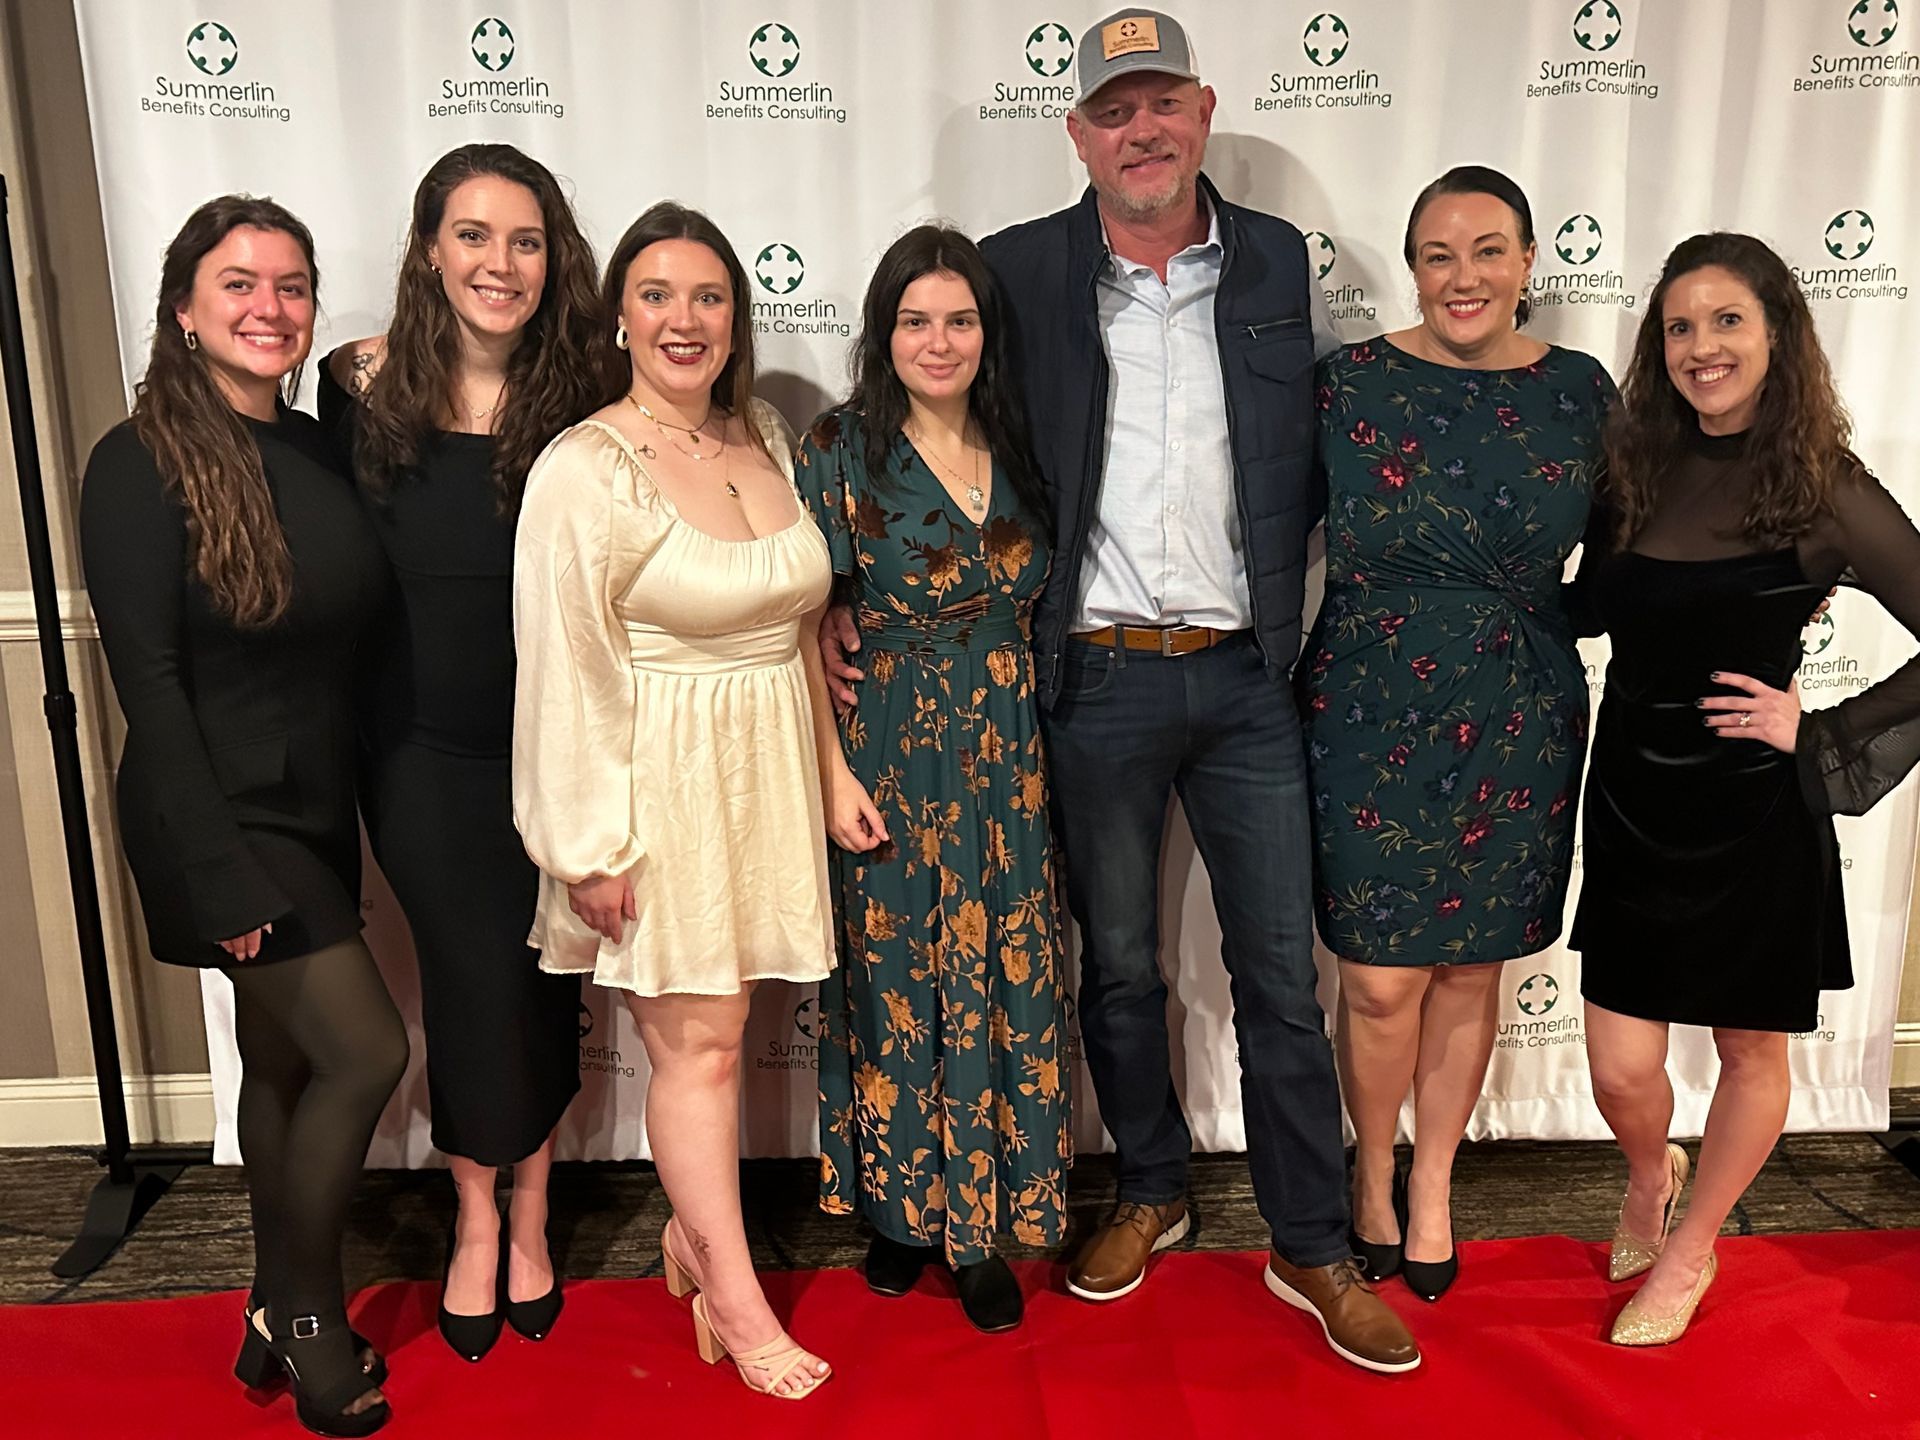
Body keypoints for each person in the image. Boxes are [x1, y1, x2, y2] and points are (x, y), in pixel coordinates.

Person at [821, 8, 1419, 1373]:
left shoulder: (1273, 262)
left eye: (1161, 106)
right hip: (1090, 679)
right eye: (1112, 111)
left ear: (1203, 112)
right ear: (1077, 132)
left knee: (1277, 970)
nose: (1140, 132)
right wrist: (854, 582)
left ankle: (1313, 1244)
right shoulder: (1021, 270)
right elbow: (933, 420)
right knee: (1125, 967)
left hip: (1249, 676)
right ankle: (1151, 1190)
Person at [512, 201, 846, 1399]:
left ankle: (689, 1236)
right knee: (696, 1055)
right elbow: (563, 671)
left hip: (762, 773)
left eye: (709, 297)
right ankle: (735, 1292)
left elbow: (801, 624)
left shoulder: (765, 432)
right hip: (661, 789)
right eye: (658, 295)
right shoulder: (585, 467)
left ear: (737, 319)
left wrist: (831, 773)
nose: (684, 320)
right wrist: (588, 848)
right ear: (618, 318)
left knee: (729, 1036)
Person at [80, 196, 402, 1435]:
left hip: (315, 805)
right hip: (212, 813)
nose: (268, 306)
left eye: (291, 285)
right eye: (237, 284)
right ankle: (306, 1313)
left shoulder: (319, 452)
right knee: (366, 1051)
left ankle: (270, 1307)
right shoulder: (139, 458)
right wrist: (220, 876)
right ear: (183, 309)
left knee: (281, 1059)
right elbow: (147, 684)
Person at [1571, 231, 1920, 1345]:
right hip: (1630, 793)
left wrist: (1822, 727)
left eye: (1727, 322)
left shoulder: (1829, 489)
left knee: (1747, 1051)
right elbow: (1586, 608)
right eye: (1681, 326)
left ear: (1778, 334)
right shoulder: (1633, 465)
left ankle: (1689, 1251)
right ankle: (1647, 1173)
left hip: (1753, 811)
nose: (1702, 347)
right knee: (1622, 1067)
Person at [1298, 167, 1614, 1301]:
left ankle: (1431, 1185)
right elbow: (1268, 537)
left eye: (1489, 250)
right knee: (1380, 981)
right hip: (1366, 708)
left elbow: (1628, 562)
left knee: (1473, 967)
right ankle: (1370, 1176)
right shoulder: (1346, 386)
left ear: (1529, 263)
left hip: (1521, 712)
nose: (1463, 275)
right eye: (1438, 253)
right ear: (1413, 265)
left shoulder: (1583, 392)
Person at [320, 143, 601, 1360]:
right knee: (473, 979)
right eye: (474, 235)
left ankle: (532, 1205)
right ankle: (477, 1217)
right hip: (420, 755)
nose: (500, 263)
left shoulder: (590, 389)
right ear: (430, 248)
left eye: (525, 240)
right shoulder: (355, 387)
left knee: (547, 985)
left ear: (553, 260)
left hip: (563, 746)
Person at [796, 225, 1067, 1333]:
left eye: (959, 319)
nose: (938, 340)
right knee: (895, 978)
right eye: (916, 319)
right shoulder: (840, 448)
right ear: (884, 332)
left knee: (1005, 972)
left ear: (985, 333)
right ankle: (900, 1216)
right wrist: (826, 768)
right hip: (893, 754)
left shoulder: (1029, 439)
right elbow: (800, 626)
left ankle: (980, 1225)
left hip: (1010, 756)